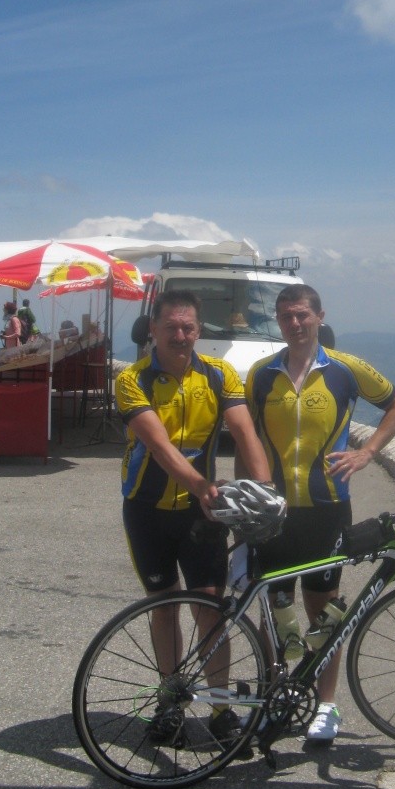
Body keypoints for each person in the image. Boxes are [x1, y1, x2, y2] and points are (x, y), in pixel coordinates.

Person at [243, 284, 395, 742]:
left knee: (324, 610)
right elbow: (248, 438)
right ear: (278, 322)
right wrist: (247, 496)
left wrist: (367, 453)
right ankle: (275, 695)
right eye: (285, 317)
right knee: (274, 608)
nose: (294, 324)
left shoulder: (344, 369)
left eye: (301, 315)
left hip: (326, 508)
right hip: (274, 511)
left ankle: (327, 704)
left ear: (319, 316)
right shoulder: (260, 374)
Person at [114, 288, 273, 747]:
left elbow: (244, 431)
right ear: (153, 331)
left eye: (188, 328)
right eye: (170, 328)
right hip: (147, 510)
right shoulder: (133, 379)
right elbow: (160, 447)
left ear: (199, 331)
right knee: (164, 607)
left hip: (199, 516)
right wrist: (204, 486)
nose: (180, 336)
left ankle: (221, 708)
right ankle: (170, 703)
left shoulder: (219, 374)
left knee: (210, 610)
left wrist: (262, 493)